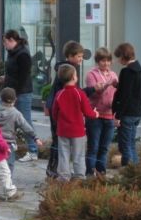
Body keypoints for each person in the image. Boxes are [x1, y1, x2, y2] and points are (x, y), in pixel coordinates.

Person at [45, 41, 102, 177]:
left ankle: (59, 173)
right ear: (70, 56)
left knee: (60, 147)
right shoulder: (69, 70)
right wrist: (93, 112)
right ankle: (67, 173)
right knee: (73, 152)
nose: (81, 59)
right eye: (79, 56)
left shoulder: (63, 69)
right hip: (69, 121)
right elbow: (76, 94)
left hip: (60, 117)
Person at [0, 87, 43, 194]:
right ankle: (7, 189)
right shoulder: (16, 113)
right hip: (9, 145)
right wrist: (35, 138)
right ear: (15, 100)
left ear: (1, 99)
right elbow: (26, 127)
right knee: (8, 167)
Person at [52, 64, 99, 181]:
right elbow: (88, 112)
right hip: (78, 131)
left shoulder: (59, 94)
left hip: (62, 130)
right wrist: (95, 114)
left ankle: (63, 177)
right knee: (78, 155)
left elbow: (54, 112)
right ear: (74, 77)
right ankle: (79, 177)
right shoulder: (79, 93)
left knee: (63, 155)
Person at [2, 29, 38, 162]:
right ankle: (8, 146)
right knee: (7, 120)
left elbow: (23, 76)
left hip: (21, 93)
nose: (4, 45)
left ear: (12, 40)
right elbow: (12, 72)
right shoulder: (11, 52)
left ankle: (33, 150)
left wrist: (15, 94)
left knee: (25, 121)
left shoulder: (22, 54)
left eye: (5, 42)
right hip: (11, 91)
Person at [85, 47, 118, 176]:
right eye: (103, 61)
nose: (106, 63)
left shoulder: (113, 75)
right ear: (98, 61)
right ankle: (90, 172)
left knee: (104, 147)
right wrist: (106, 85)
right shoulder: (91, 74)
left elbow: (116, 95)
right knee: (93, 146)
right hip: (95, 115)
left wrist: (116, 114)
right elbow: (93, 92)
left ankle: (101, 172)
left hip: (109, 115)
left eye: (108, 61)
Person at [112, 43, 141, 166]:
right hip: (136, 112)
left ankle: (129, 171)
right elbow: (132, 90)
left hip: (127, 113)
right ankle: (136, 170)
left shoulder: (126, 71)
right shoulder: (139, 70)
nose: (117, 60)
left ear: (123, 56)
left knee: (125, 146)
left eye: (118, 57)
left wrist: (118, 115)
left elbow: (125, 96)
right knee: (131, 144)